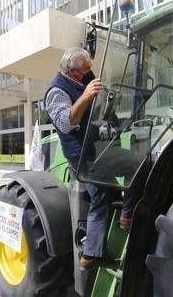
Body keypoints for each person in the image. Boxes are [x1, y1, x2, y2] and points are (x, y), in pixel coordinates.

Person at [45, 47, 134, 270]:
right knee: (135, 166)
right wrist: (86, 96)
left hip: (95, 149)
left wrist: (110, 101)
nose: (89, 73)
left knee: (103, 195)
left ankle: (91, 255)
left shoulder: (80, 82)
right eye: (85, 70)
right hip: (82, 156)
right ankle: (128, 217)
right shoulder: (56, 92)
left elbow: (96, 114)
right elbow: (66, 123)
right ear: (73, 72)